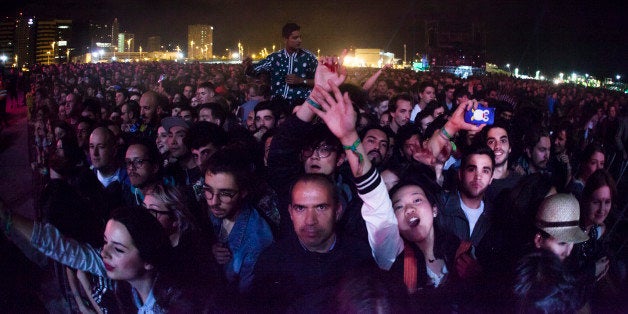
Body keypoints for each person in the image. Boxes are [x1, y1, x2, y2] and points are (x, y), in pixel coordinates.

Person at [0, 204, 182, 313]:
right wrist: (8, 217)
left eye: (118, 249)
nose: (104, 252)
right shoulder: (127, 283)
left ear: (148, 259)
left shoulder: (176, 306)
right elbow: (64, 249)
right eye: (105, 242)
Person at [203, 147, 273, 294]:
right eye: (208, 190)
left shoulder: (258, 241)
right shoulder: (209, 212)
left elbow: (243, 300)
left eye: (225, 193)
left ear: (243, 192)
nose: (213, 202)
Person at [244, 22, 318, 105]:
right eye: (295, 38)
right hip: (277, 106)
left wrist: (301, 80)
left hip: (300, 106)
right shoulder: (274, 58)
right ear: (285, 39)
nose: (299, 40)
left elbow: (320, 82)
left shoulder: (309, 58)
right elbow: (252, 71)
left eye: (300, 37)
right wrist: (247, 64)